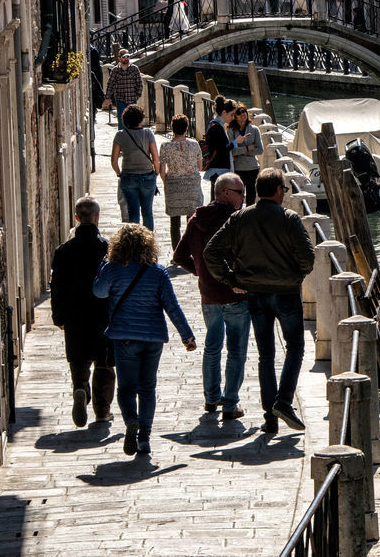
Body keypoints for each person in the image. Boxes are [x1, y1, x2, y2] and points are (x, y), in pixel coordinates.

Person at [203, 168, 315, 435]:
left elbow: (211, 253)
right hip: (286, 293)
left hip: (255, 294)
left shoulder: (240, 218)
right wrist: (294, 274)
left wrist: (232, 279)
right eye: (284, 190)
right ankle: (284, 402)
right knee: (296, 348)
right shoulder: (290, 218)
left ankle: (271, 417)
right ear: (278, 190)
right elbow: (308, 259)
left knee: (266, 355)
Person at [92, 224, 197, 456]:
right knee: (147, 388)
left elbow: (98, 291)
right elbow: (172, 307)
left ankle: (131, 420)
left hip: (125, 337)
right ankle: (144, 438)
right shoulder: (158, 272)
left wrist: (104, 263)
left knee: (127, 388)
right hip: (152, 339)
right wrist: (186, 335)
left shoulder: (112, 268)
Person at [173, 173, 250, 422]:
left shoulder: (197, 219)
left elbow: (179, 256)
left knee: (213, 347)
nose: (243, 197)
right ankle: (230, 404)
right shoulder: (235, 220)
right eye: (240, 192)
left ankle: (210, 398)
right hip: (235, 294)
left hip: (209, 295)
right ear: (225, 193)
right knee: (236, 350)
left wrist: (202, 274)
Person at [50, 195, 115, 427]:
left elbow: (55, 286)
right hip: (102, 313)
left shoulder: (63, 250)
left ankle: (80, 388)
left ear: (77, 218)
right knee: (104, 363)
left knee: (78, 359)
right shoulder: (107, 247)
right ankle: (102, 410)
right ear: (97, 218)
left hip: (74, 314)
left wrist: (57, 315)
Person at [112, 104, 161, 230]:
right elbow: (156, 158)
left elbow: (114, 161)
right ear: (141, 119)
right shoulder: (148, 133)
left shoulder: (120, 135)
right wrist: (156, 172)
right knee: (147, 213)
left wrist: (119, 174)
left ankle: (135, 243)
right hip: (147, 177)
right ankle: (149, 243)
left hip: (128, 177)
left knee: (133, 214)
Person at [159, 114, 203, 248]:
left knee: (175, 223)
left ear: (173, 128)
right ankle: (191, 250)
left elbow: (162, 171)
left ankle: (177, 253)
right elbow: (200, 167)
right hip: (192, 189)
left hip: (174, 186)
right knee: (191, 221)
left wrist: (166, 183)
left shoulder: (165, 146)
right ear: (186, 129)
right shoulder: (195, 145)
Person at [228, 102, 265, 204]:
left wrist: (242, 152)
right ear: (235, 116)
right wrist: (247, 149)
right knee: (238, 195)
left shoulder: (254, 129)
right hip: (238, 168)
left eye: (244, 111)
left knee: (251, 195)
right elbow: (232, 151)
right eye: (239, 112)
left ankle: (249, 216)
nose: (243, 114)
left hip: (253, 167)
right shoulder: (231, 131)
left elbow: (260, 150)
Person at [203, 96, 237, 199]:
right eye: (231, 114)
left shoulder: (216, 125)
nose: (233, 118)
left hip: (217, 169)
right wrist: (235, 142)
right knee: (218, 200)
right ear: (223, 112)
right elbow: (222, 150)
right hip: (218, 169)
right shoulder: (217, 127)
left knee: (217, 199)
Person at [104, 49, 143, 129]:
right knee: (122, 122)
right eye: (124, 57)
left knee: (133, 122)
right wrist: (107, 97)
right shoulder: (115, 70)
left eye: (128, 56)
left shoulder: (134, 69)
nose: (126, 58)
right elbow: (110, 84)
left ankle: (132, 138)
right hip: (120, 100)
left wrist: (137, 95)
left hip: (132, 100)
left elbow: (139, 83)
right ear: (119, 58)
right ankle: (123, 138)